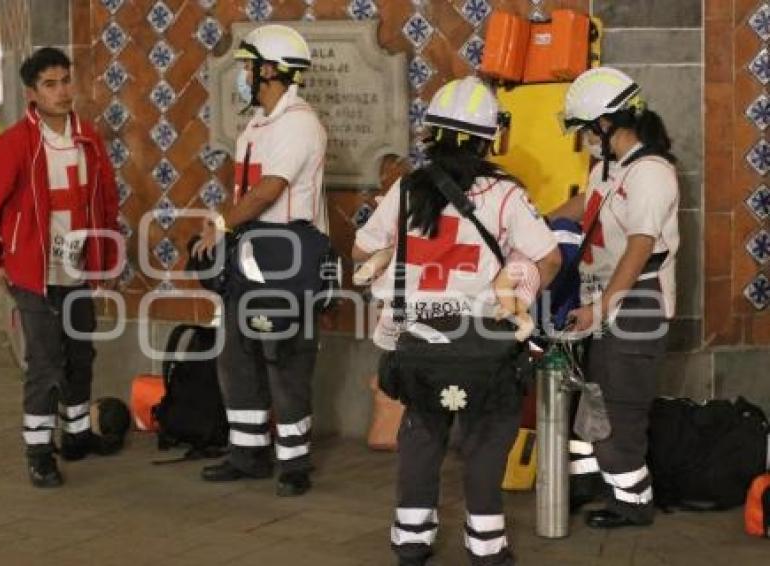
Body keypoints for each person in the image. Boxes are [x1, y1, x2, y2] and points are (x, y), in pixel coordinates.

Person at [353, 76, 561, 566]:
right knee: (488, 437)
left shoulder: (405, 189)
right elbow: (548, 258)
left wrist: (390, 254)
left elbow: (362, 250)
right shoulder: (507, 195)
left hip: (419, 340)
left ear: (432, 134)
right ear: (490, 136)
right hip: (484, 339)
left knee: (423, 433)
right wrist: (519, 288)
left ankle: (411, 540)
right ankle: (486, 547)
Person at [0, 47, 121, 488]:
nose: (62, 91)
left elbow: (106, 204)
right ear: (32, 93)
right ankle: (39, 451)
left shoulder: (87, 139)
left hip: (77, 272)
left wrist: (105, 257)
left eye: (66, 80)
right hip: (33, 274)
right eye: (51, 84)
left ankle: (75, 435)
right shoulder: (14, 145)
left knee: (80, 355)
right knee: (45, 362)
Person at [193, 24, 327, 497]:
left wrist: (221, 224)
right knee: (238, 354)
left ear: (270, 70)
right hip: (251, 253)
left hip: (286, 253)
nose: (244, 75)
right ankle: (247, 452)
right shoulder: (258, 123)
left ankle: (294, 463)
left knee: (285, 359)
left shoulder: (298, 122)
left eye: (249, 66)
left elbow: (271, 189)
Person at [550, 66, 680, 528]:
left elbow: (641, 246)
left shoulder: (651, 172)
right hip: (602, 295)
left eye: (586, 130)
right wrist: (534, 223)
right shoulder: (609, 168)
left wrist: (602, 307)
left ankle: (633, 501)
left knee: (622, 403)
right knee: (592, 396)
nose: (583, 139)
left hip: (636, 301)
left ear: (606, 125)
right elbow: (581, 207)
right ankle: (589, 481)